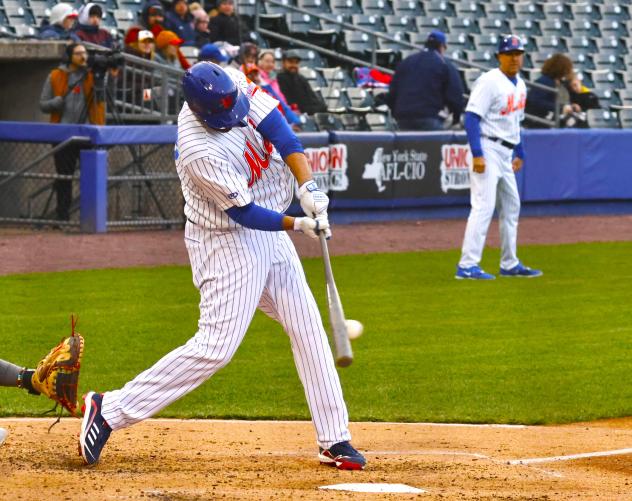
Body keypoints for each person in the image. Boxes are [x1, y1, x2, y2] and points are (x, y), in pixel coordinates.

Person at [78, 61, 367, 472]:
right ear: (200, 110)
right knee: (216, 347)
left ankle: (334, 438)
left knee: (306, 325)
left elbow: (280, 131)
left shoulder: (233, 85)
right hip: (226, 242)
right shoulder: (199, 149)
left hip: (270, 231)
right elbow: (245, 213)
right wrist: (299, 223)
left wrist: (307, 185)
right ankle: (108, 409)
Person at [456, 35, 542, 280]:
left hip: (506, 151)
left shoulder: (521, 85)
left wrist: (520, 150)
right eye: (509, 54)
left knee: (512, 205)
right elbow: (471, 117)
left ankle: (509, 263)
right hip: (487, 146)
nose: (515, 58)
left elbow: (516, 122)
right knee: (483, 206)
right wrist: (477, 153)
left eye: (518, 53)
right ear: (499, 57)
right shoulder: (489, 81)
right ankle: (467, 265)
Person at [39, 43, 106, 221]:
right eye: (78, 54)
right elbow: (43, 104)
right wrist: (55, 103)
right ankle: (62, 217)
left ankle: (91, 218)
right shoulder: (55, 75)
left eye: (84, 53)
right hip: (62, 133)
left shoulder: (91, 76)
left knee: (90, 176)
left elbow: (101, 99)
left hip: (87, 133)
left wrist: (101, 76)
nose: (83, 57)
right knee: (64, 178)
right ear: (70, 56)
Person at [384, 30, 464, 130]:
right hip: (428, 116)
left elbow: (392, 92)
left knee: (409, 146)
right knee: (433, 145)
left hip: (403, 117)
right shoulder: (443, 63)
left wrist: (396, 112)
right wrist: (456, 118)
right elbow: (455, 95)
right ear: (441, 47)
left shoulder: (407, 61)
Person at [525, 53, 579, 127]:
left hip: (554, 119)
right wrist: (560, 108)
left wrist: (570, 106)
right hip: (540, 122)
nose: (569, 72)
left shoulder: (562, 83)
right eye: (568, 69)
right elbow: (536, 102)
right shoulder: (544, 81)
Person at [277, 49, 327, 115]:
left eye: (296, 62)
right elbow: (289, 102)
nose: (294, 65)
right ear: (283, 62)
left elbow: (313, 99)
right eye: (290, 62)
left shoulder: (301, 78)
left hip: (308, 112)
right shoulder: (280, 78)